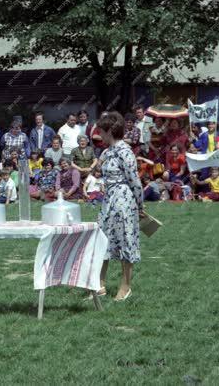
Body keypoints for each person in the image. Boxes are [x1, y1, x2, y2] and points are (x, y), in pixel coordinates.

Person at [97, 111, 145, 301]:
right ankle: (98, 284)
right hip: (108, 201)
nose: (99, 134)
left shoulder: (126, 152)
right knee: (101, 241)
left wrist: (139, 205)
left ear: (109, 130)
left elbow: (135, 181)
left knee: (126, 240)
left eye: (101, 130)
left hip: (124, 201)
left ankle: (125, 287)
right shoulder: (107, 152)